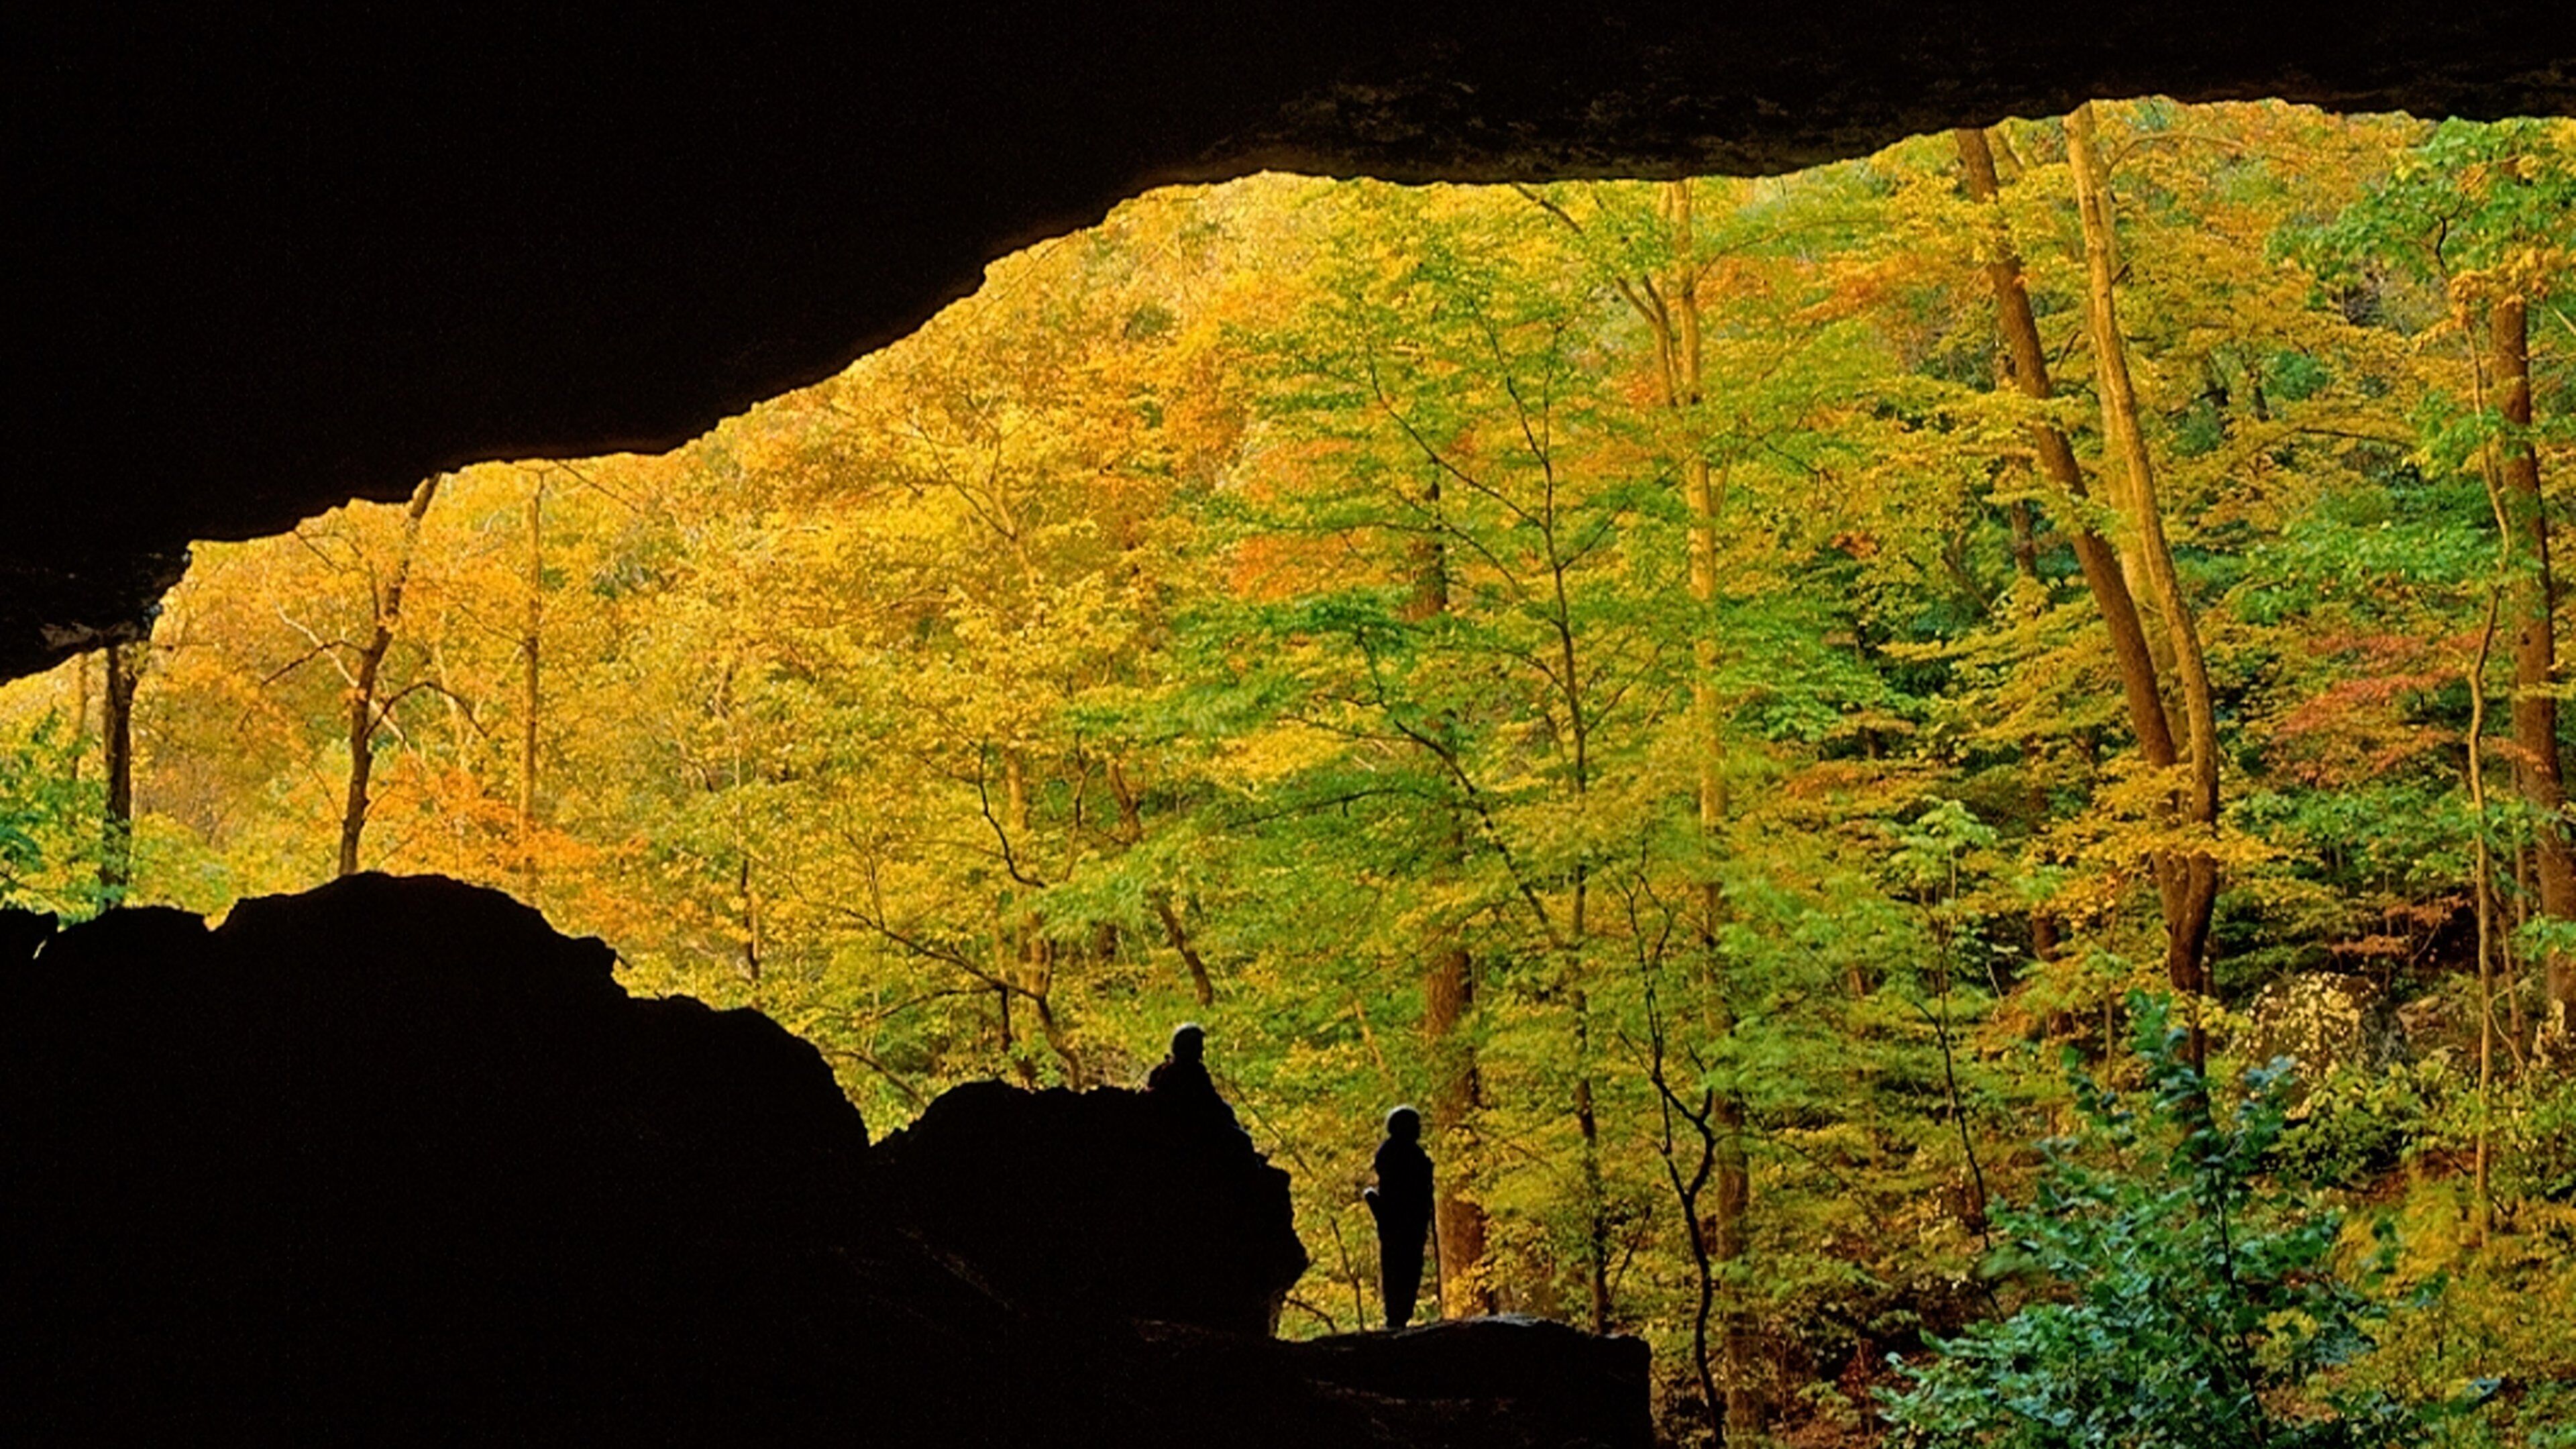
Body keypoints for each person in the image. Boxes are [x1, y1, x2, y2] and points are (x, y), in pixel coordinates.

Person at [1362, 1104, 1434, 1330]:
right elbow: (1416, 1192)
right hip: (1407, 1225)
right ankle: (1398, 1316)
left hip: (1399, 1225)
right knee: (1405, 1269)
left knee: (1400, 1269)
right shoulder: (1409, 1156)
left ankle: (1397, 1316)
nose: (1419, 1129)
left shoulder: (1391, 1154)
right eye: (1415, 1125)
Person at [1145, 1022, 1243, 1138]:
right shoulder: (1194, 1073)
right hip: (1191, 1127)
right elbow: (1211, 1102)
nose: (1202, 1050)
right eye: (1198, 1046)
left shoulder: (1162, 1070)